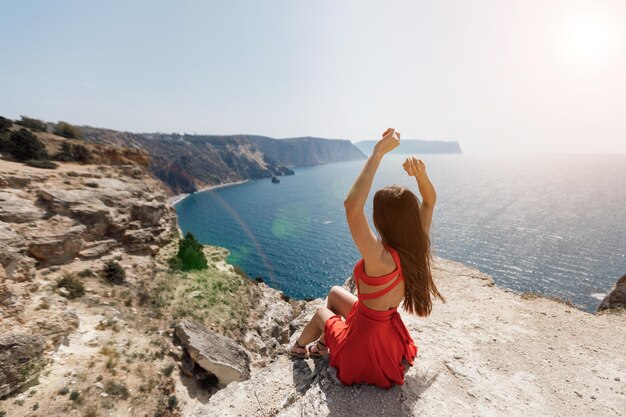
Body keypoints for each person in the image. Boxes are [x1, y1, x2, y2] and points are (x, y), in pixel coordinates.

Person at [289, 127, 445, 388]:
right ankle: (323, 346)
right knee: (335, 293)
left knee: (320, 312)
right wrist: (421, 175)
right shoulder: (417, 245)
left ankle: (298, 349)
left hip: (363, 343)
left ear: (381, 220)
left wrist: (377, 153)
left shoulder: (380, 258)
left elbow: (352, 205)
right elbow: (429, 202)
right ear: (409, 218)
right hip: (385, 330)